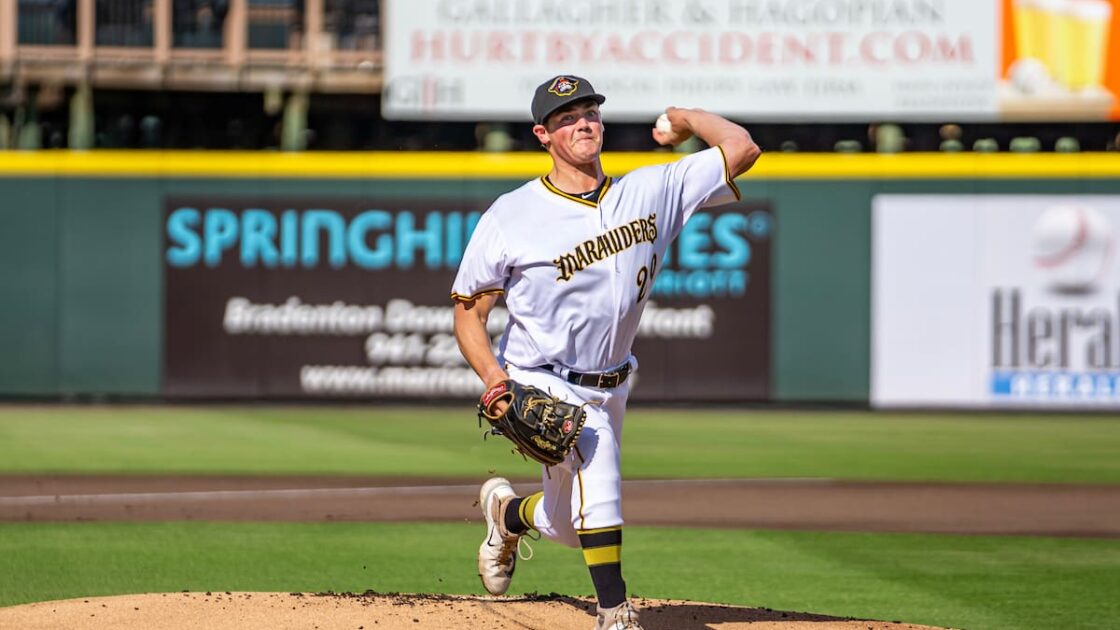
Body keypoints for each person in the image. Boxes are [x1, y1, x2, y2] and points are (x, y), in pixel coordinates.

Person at [451, 74, 760, 630]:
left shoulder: (651, 191)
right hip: (537, 374)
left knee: (569, 526)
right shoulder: (511, 215)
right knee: (597, 458)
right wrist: (497, 382)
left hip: (614, 379)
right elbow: (469, 313)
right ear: (543, 135)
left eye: (590, 111)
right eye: (567, 117)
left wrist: (686, 116)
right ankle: (614, 613)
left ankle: (507, 514)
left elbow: (741, 148)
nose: (583, 123)